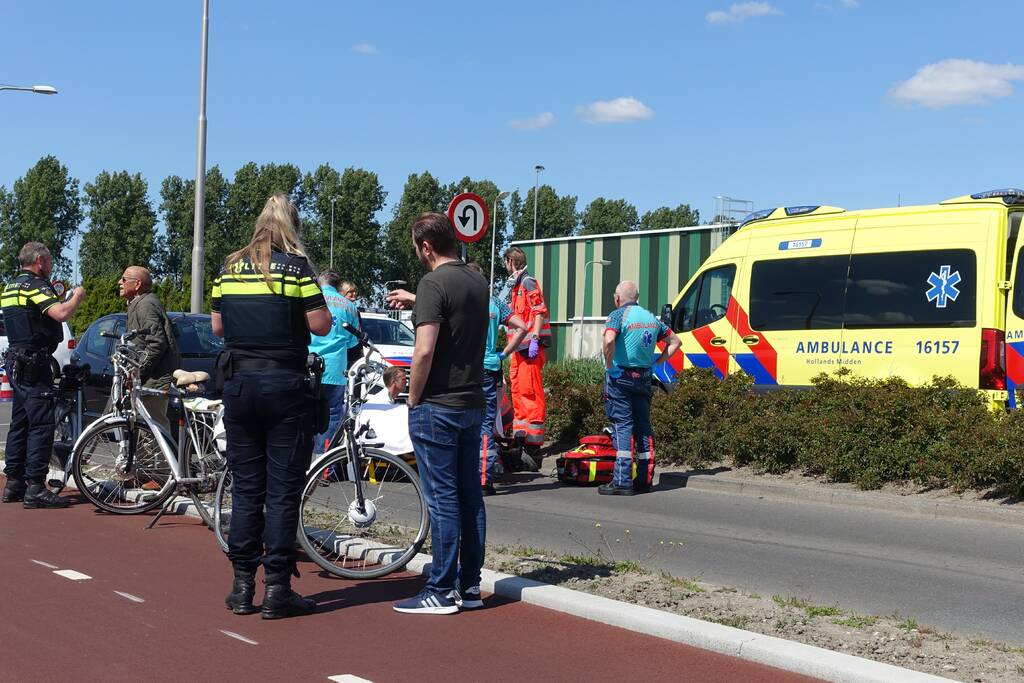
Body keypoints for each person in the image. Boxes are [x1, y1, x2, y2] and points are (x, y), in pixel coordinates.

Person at [211, 193, 331, 619]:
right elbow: (321, 324)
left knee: (246, 490)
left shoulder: (229, 267)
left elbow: (218, 324)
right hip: (285, 385)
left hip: (240, 385)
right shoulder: (296, 268)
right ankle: (277, 589)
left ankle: (242, 587)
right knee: (281, 492)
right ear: (291, 226)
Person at [393, 212, 488, 615]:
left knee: (443, 498)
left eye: (417, 248)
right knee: (470, 496)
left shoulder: (432, 282)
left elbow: (425, 350)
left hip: (437, 405)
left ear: (426, 246)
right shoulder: (477, 280)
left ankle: (440, 587)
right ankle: (469, 586)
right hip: (471, 402)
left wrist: (413, 398)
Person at [1, 242, 85, 508]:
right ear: (39, 260)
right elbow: (59, 313)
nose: (50, 267)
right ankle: (36, 486)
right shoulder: (35, 285)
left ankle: (14, 482)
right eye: (48, 262)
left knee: (21, 421)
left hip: (16, 361)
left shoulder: (10, 286)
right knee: (41, 424)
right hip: (34, 363)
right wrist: (77, 296)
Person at [599, 281, 681, 496]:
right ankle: (644, 479)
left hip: (621, 377)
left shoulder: (617, 315)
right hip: (644, 377)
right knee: (644, 426)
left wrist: (609, 366)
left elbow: (609, 341)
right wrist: (658, 362)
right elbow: (676, 342)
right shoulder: (652, 319)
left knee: (622, 425)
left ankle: (621, 481)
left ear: (618, 298)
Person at [466, 262, 528, 496]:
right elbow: (522, 326)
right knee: (486, 425)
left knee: (463, 422)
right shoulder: (495, 303)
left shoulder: (463, 299)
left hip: (467, 369)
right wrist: (504, 353)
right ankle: (484, 479)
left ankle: (469, 476)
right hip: (491, 368)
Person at [502, 246, 551, 471]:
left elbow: (539, 311)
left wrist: (534, 338)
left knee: (530, 396)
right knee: (519, 394)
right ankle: (522, 441)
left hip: (529, 349)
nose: (505, 267)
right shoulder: (516, 286)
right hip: (518, 351)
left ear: (511, 262)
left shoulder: (528, 283)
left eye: (506, 263)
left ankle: (533, 449)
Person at [119, 266, 180, 438]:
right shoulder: (139, 304)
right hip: (148, 379)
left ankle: (165, 465)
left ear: (137, 284)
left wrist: (138, 371)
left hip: (154, 379)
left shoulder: (145, 305)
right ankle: (143, 465)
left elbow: (156, 343)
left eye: (124, 279)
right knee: (144, 431)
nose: (119, 283)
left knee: (155, 430)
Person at [308, 268, 359, 453]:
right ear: (338, 286)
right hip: (336, 369)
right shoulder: (349, 306)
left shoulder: (310, 299)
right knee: (331, 414)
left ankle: (303, 458)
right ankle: (324, 463)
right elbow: (353, 341)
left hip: (309, 364)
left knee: (303, 411)